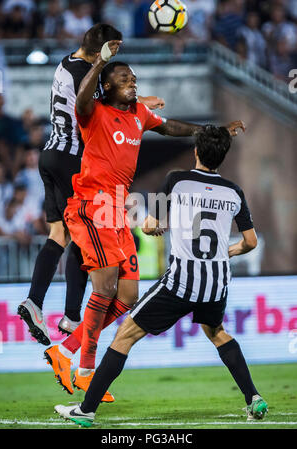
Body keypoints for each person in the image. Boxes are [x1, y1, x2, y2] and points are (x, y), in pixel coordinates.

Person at [44, 38, 244, 401]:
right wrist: (101, 61)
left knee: (128, 295)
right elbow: (83, 97)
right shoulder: (94, 112)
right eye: (124, 77)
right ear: (107, 85)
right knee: (103, 290)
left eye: (133, 77)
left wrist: (210, 131)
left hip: (118, 209)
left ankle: (64, 350)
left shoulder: (139, 114)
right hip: (93, 204)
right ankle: (86, 370)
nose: (132, 81)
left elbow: (170, 128)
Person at [53, 125, 268, 427]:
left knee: (125, 333)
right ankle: (254, 397)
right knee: (217, 332)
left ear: (196, 151)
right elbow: (250, 242)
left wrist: (154, 226)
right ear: (223, 156)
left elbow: (151, 223)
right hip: (216, 282)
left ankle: (86, 410)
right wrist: (226, 253)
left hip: (182, 280)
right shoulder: (234, 192)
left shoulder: (177, 180)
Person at [17, 24, 166, 347]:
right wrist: (139, 102)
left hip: (50, 153)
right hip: (72, 159)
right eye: (116, 49)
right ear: (104, 50)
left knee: (58, 234)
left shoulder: (66, 63)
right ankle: (72, 316)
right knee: (86, 236)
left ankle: (34, 302)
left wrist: (141, 99)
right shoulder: (90, 73)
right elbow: (100, 104)